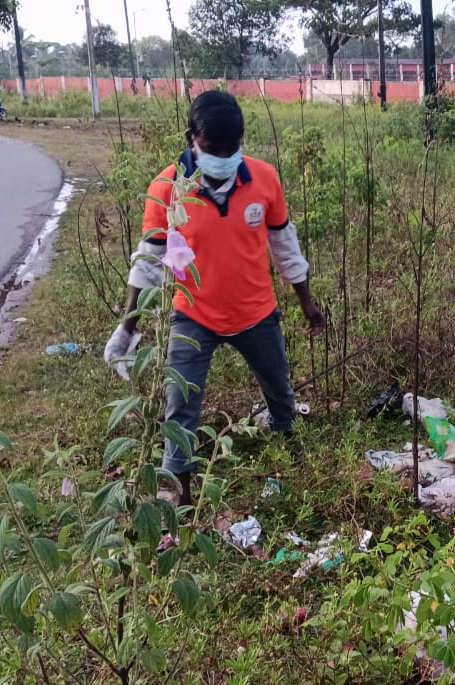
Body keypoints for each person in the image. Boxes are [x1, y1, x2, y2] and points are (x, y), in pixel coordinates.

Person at [104, 91, 325, 506]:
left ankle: (292, 460)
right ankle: (179, 498)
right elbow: (148, 263)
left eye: (232, 149)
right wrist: (126, 329)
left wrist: (306, 303)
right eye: (212, 149)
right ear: (191, 139)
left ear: (241, 142)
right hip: (193, 319)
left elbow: (284, 246)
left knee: (281, 395)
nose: (223, 157)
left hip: (257, 314)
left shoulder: (263, 179)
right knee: (180, 408)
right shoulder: (167, 188)